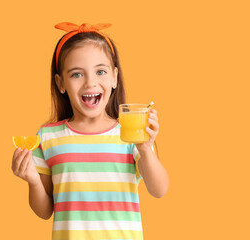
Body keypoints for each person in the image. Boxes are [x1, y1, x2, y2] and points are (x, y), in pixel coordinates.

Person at [11, 22, 169, 240]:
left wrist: (146, 148)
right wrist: (32, 180)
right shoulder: (48, 137)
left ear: (114, 77)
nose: (90, 82)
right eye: (77, 74)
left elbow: (159, 189)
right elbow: (44, 211)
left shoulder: (131, 134)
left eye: (101, 71)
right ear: (60, 83)